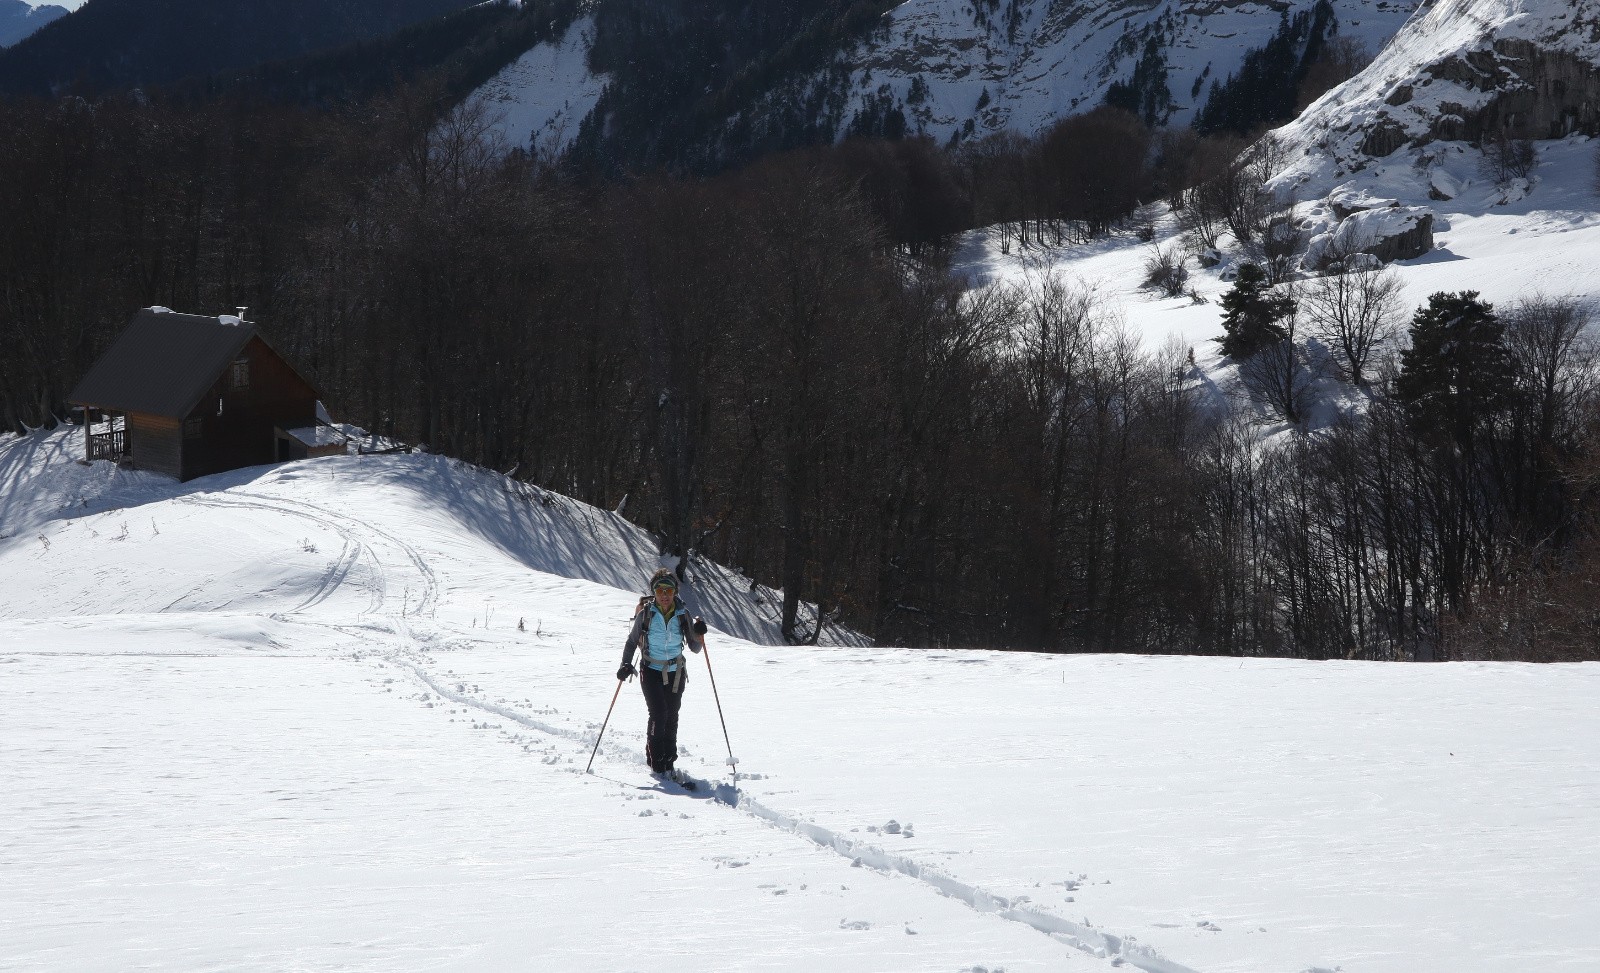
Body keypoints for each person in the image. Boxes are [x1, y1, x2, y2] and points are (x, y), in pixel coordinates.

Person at [617, 568, 707, 781]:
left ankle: (669, 761)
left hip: (676, 672)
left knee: (672, 716)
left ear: (675, 591)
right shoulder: (646, 614)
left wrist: (700, 634)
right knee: (658, 714)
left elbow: (694, 648)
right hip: (650, 671)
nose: (664, 595)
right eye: (660, 590)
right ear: (654, 592)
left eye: (668, 590)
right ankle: (657, 764)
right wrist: (625, 664)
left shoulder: (682, 614)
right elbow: (631, 642)